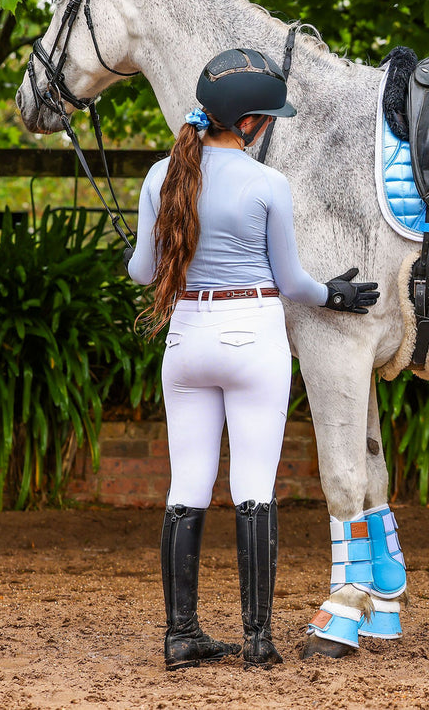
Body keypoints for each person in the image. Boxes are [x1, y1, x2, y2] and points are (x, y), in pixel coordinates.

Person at [125, 48, 380, 670]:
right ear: (247, 124)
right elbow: (293, 282)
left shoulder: (162, 176)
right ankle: (257, 640)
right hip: (250, 338)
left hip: (186, 340)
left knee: (186, 487)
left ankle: (181, 634)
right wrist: (338, 295)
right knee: (253, 490)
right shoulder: (268, 184)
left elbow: (140, 271)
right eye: (267, 118)